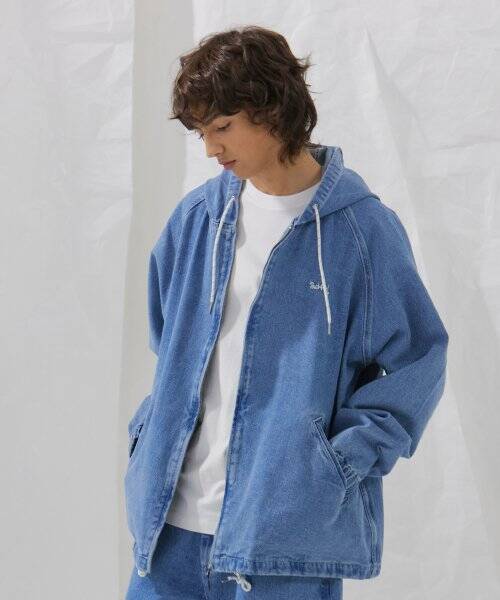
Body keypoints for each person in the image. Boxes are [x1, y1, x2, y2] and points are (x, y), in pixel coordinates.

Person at [124, 25, 449, 600]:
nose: (210, 149)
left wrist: (336, 463)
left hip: (285, 544)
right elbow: (166, 338)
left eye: (222, 127)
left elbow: (418, 359)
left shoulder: (362, 231)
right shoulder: (198, 220)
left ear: (271, 109)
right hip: (168, 531)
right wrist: (150, 430)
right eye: (202, 132)